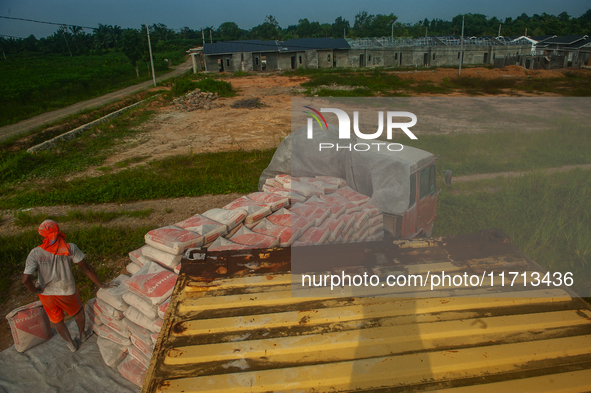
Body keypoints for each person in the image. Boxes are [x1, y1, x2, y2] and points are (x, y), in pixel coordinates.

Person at [21, 219, 114, 352]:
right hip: (66, 291)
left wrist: (36, 290)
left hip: (46, 295)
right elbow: (86, 268)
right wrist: (102, 285)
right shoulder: (70, 248)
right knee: (78, 312)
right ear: (59, 231)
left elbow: (25, 279)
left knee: (57, 320)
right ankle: (82, 335)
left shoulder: (35, 253)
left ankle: (70, 344)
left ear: (41, 235)